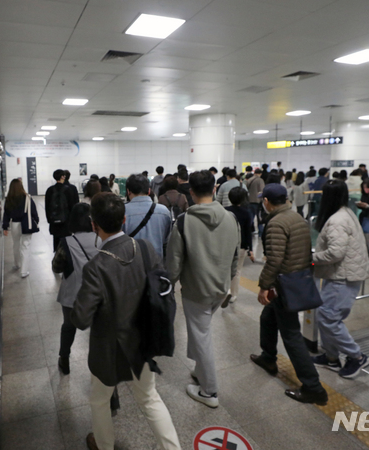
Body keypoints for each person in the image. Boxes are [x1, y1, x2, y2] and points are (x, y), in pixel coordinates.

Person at [72, 193, 182, 450]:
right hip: (143, 342)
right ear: (123, 219)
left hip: (108, 349)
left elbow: (80, 318)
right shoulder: (145, 249)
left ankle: (104, 445)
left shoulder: (96, 266)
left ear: (93, 225)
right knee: (149, 398)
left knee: (100, 400)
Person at [166, 170, 240, 408]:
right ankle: (199, 370)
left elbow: (174, 262)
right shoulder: (231, 218)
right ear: (215, 189)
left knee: (202, 335)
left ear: (191, 192)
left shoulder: (184, 221)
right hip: (221, 287)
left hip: (196, 289)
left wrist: (170, 285)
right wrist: (227, 281)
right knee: (202, 331)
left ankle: (209, 391)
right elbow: (235, 256)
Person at [250, 184, 328, 405]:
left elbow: (274, 259)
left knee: (292, 335)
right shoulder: (297, 218)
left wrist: (264, 286)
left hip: (283, 285)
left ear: (266, 201)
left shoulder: (275, 223)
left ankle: (314, 387)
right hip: (294, 280)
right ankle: (268, 358)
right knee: (267, 318)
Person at [311, 180, 369, 379]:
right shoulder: (347, 212)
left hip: (343, 277)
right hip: (340, 274)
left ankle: (357, 356)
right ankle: (331, 358)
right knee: (325, 316)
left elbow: (335, 253)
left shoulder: (337, 220)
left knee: (329, 318)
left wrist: (310, 258)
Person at [52, 203, 98, 375]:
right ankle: (100, 366)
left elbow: (56, 267)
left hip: (72, 293)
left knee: (69, 326)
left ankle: (64, 359)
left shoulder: (66, 242)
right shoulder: (101, 239)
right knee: (99, 330)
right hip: (97, 295)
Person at [122, 174, 172, 259]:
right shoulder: (164, 211)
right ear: (149, 191)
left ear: (128, 191)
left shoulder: (122, 211)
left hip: (130, 264)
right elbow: (166, 241)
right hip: (156, 264)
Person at [2, 179, 39, 278]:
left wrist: (5, 226)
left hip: (14, 224)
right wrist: (36, 221)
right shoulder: (27, 197)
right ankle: (24, 271)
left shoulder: (9, 198)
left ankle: (17, 264)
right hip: (26, 224)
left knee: (16, 244)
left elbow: (6, 214)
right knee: (25, 246)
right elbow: (34, 212)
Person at [225, 187, 255, 305]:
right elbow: (248, 232)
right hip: (241, 245)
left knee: (226, 269)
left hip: (226, 244)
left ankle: (225, 291)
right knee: (236, 271)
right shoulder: (246, 213)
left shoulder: (225, 211)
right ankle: (233, 295)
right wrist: (250, 249)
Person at [46, 169, 79, 251]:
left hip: (54, 222)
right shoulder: (68, 190)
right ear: (63, 177)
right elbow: (72, 206)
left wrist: (50, 220)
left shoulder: (50, 190)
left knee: (56, 242)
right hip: (66, 222)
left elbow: (47, 207)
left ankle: (57, 258)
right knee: (66, 244)